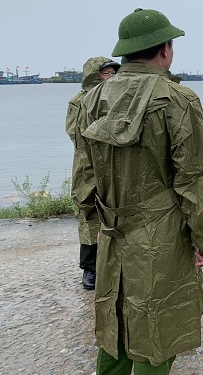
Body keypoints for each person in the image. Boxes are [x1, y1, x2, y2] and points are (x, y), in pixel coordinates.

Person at [71, 8, 203, 374]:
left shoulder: (91, 100)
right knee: (158, 325)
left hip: (111, 228)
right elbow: (195, 177)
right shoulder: (177, 98)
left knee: (115, 319)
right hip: (161, 228)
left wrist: (93, 224)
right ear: (165, 49)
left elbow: (83, 173)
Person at [66, 57, 121, 290]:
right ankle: (90, 268)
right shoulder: (78, 102)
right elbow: (75, 134)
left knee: (115, 212)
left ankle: (116, 265)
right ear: (93, 75)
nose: (111, 77)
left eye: (113, 73)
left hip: (113, 165)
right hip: (86, 165)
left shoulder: (118, 98)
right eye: (106, 73)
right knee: (88, 214)